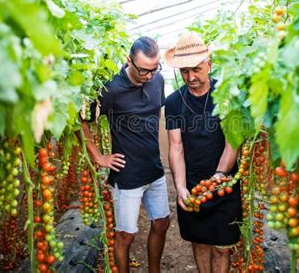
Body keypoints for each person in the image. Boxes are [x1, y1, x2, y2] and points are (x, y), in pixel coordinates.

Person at [81, 36, 170, 273]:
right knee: (126, 235)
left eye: (154, 69)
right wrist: (99, 156)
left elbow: (153, 115)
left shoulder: (158, 80)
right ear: (128, 60)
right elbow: (81, 120)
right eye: (143, 70)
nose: (149, 76)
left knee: (162, 222)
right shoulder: (111, 89)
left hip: (154, 169)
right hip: (127, 174)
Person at [164, 32, 242, 273]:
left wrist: (220, 174)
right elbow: (176, 147)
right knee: (199, 242)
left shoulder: (227, 94)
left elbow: (233, 142)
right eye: (185, 71)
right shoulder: (174, 102)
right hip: (193, 184)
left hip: (224, 182)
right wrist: (180, 187)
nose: (191, 77)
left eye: (196, 69)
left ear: (209, 63)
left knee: (222, 247)